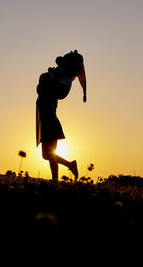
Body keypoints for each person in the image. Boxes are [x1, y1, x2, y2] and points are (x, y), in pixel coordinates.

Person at [36, 50, 87, 182]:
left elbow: (60, 93)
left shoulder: (63, 80)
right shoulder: (55, 76)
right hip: (44, 116)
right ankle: (70, 165)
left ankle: (55, 180)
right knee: (46, 155)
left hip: (49, 117)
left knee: (49, 154)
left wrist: (52, 78)